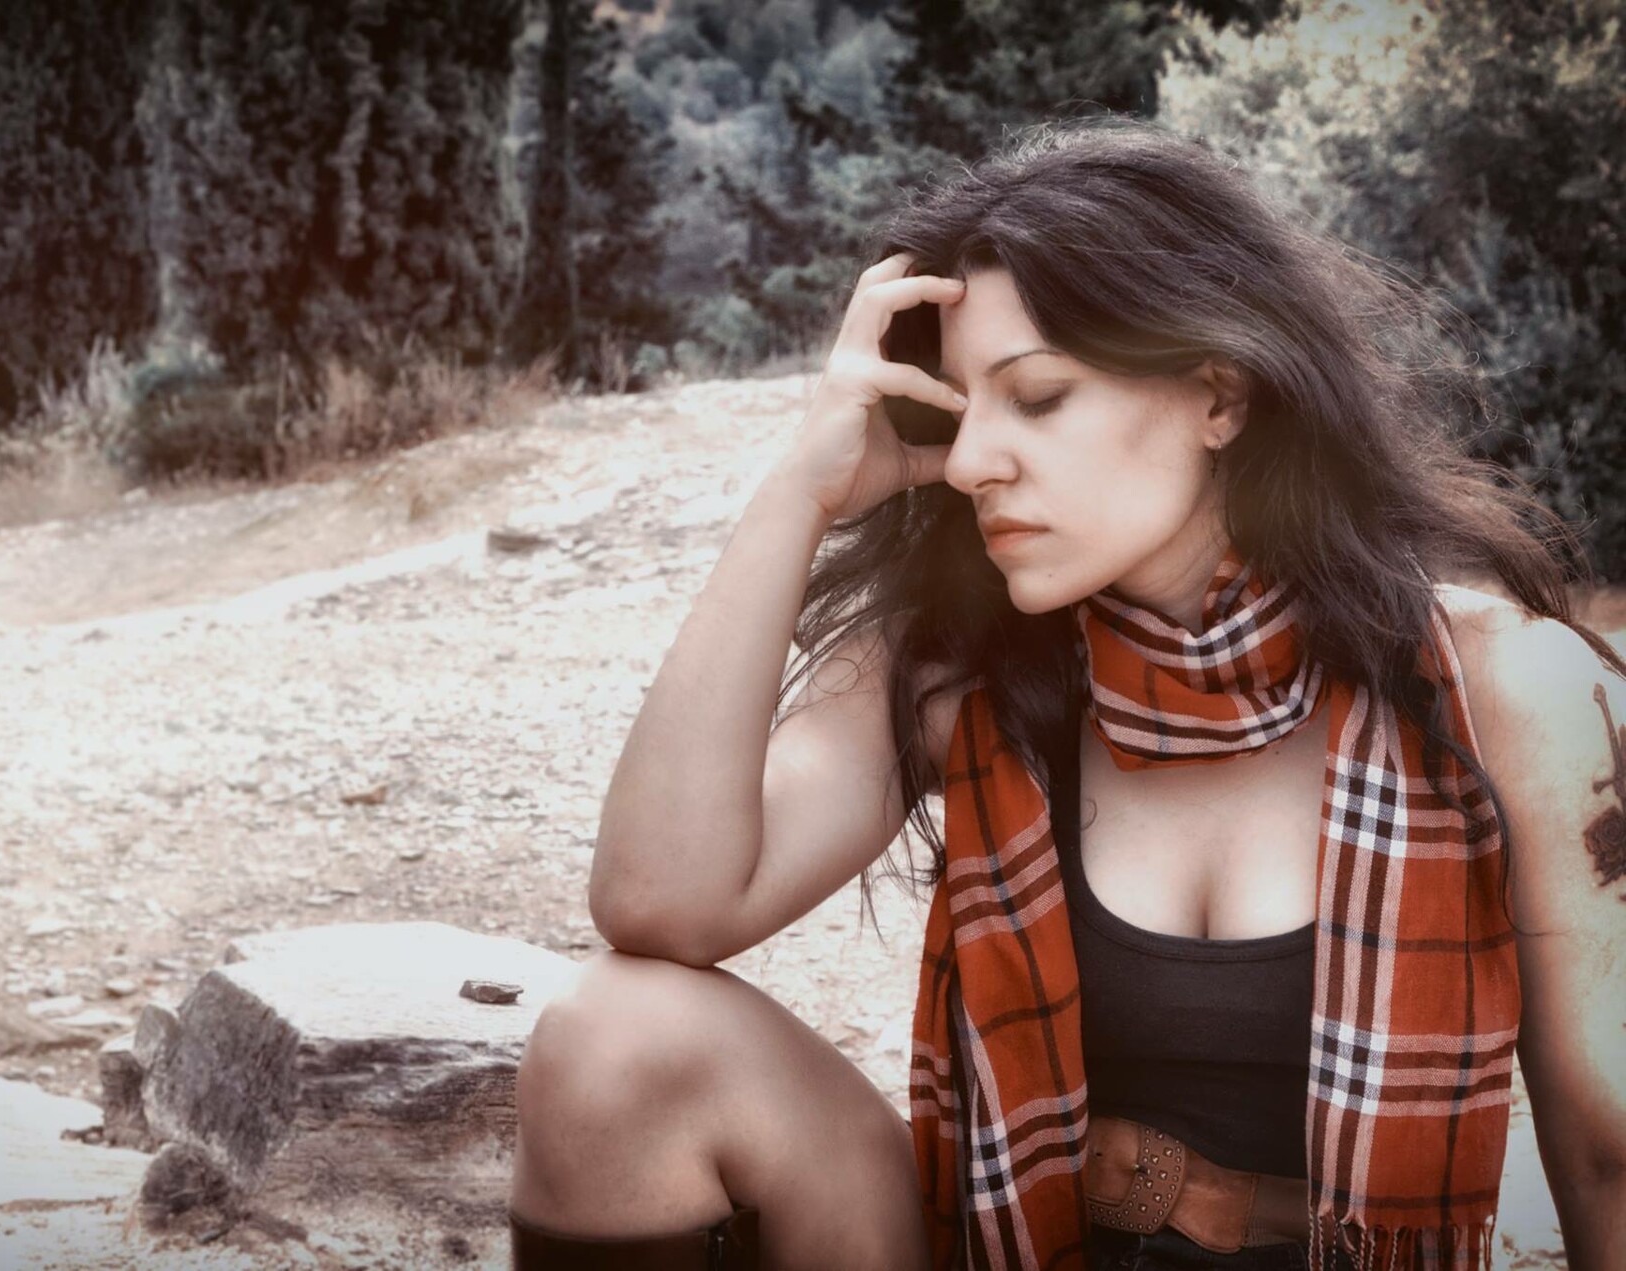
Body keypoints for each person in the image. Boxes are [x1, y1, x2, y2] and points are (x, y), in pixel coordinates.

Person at [505, 117, 1626, 1271]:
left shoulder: (1502, 688)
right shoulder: (963, 668)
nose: (972, 461)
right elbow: (660, 902)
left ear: (1219, 394)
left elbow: (1609, 1159)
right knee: (614, 1037)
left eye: (1036, 396)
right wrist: (798, 490)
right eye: (958, 409)